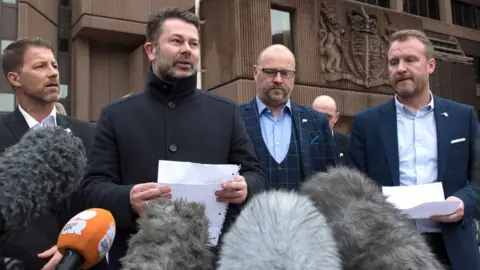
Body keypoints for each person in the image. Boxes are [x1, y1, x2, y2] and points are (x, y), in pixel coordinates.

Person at [81, 7, 267, 269]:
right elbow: (92, 189)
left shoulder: (225, 112)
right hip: (137, 259)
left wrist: (246, 186)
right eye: (176, 41)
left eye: (193, 43)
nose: (187, 50)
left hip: (212, 259)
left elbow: (256, 174)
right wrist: (127, 199)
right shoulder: (116, 115)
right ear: (151, 50)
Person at [348, 29, 480, 269]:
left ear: (430, 65)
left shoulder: (463, 117)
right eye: (394, 62)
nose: (400, 68)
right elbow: (354, 189)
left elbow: (477, 180)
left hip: (453, 249)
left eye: (410, 60)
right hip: (389, 251)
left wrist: (463, 203)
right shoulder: (366, 124)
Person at [0, 37, 105, 269]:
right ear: (14, 78)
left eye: (54, 66)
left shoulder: (91, 134)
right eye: (40, 66)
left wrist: (74, 247)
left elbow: (102, 199)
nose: (53, 73)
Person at [240, 44, 338, 190]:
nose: (278, 79)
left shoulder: (317, 122)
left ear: (294, 76)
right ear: (255, 72)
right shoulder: (235, 119)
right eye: (270, 71)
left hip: (305, 212)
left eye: (286, 73)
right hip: (251, 211)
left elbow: (334, 180)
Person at [312, 95, 349, 164]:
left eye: (328, 117)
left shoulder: (348, 143)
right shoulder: (301, 140)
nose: (322, 121)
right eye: (317, 116)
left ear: (336, 117)